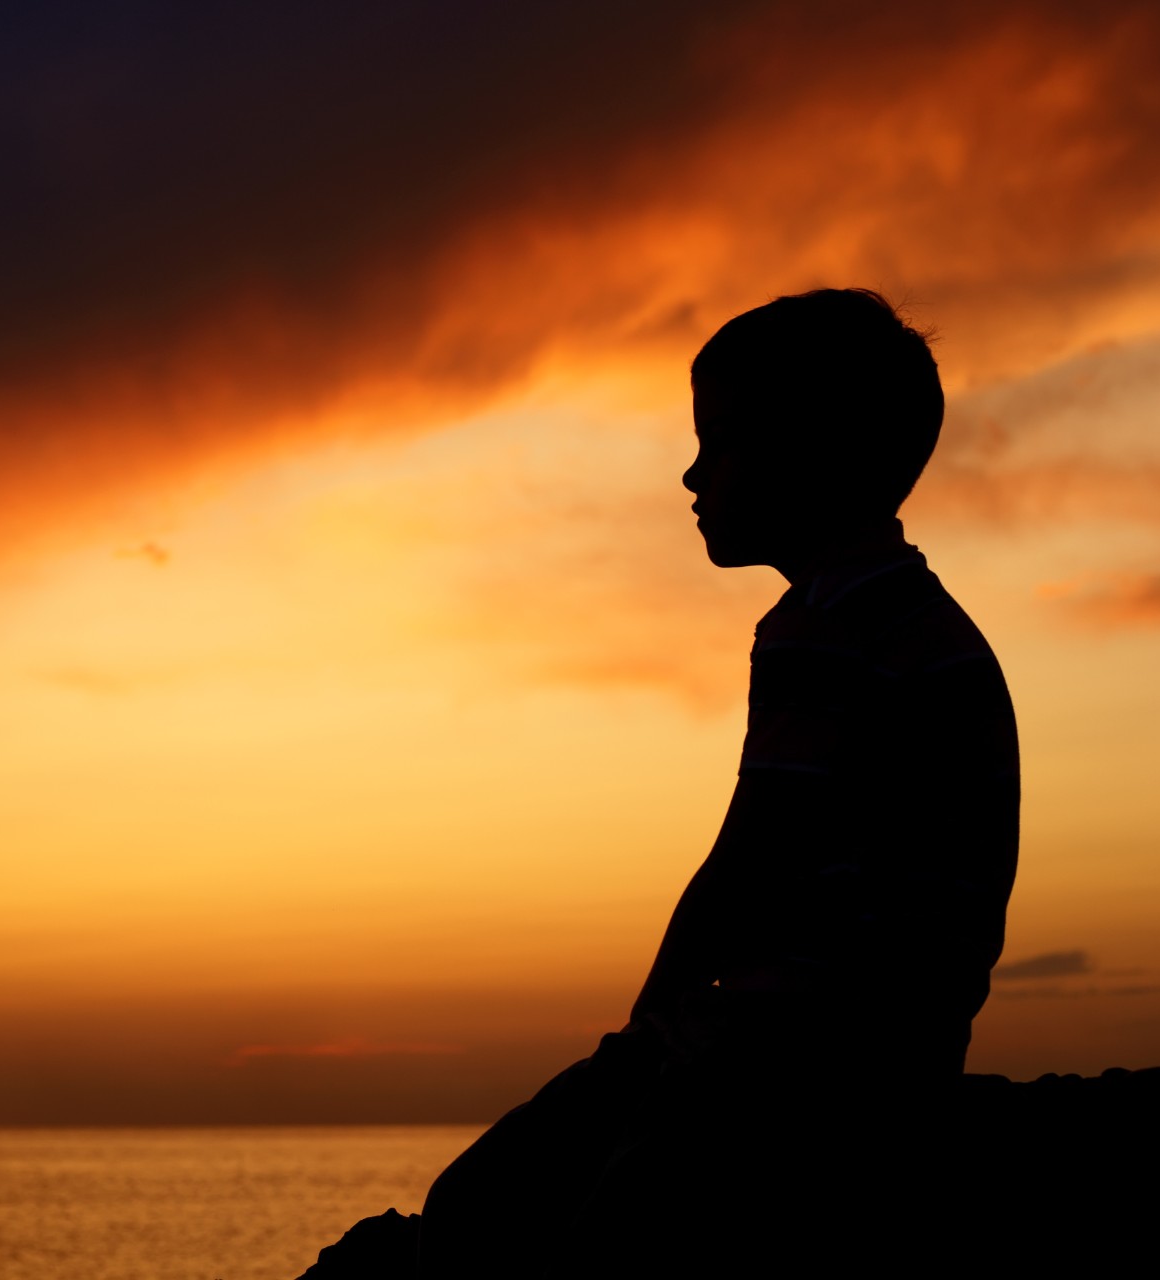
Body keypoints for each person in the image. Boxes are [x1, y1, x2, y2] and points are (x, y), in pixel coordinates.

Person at [415, 288, 1020, 1273]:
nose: (692, 472)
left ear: (812, 453)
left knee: (492, 1208)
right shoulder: (926, 626)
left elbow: (752, 860)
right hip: (901, 1046)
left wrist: (649, 1024)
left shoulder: (824, 627)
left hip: (796, 1058)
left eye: (720, 439)